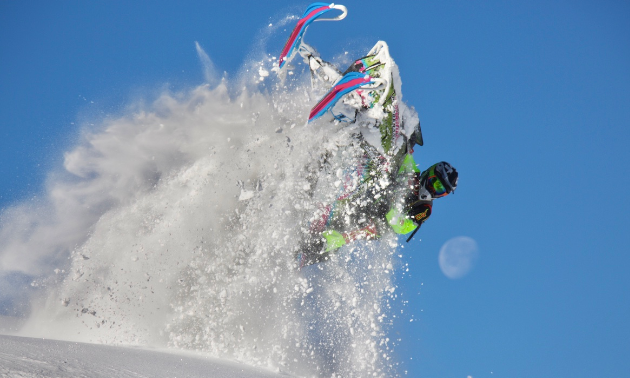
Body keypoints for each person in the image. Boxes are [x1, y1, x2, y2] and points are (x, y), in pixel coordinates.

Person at [278, 4, 458, 268]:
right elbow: (407, 163)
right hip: (364, 183)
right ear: (430, 171)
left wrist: (344, 237)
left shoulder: (421, 210)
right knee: (370, 143)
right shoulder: (413, 173)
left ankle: (296, 256)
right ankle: (318, 65)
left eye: (439, 188)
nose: (432, 186)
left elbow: (389, 225)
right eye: (435, 179)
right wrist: (407, 144)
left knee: (325, 237)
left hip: (363, 215)